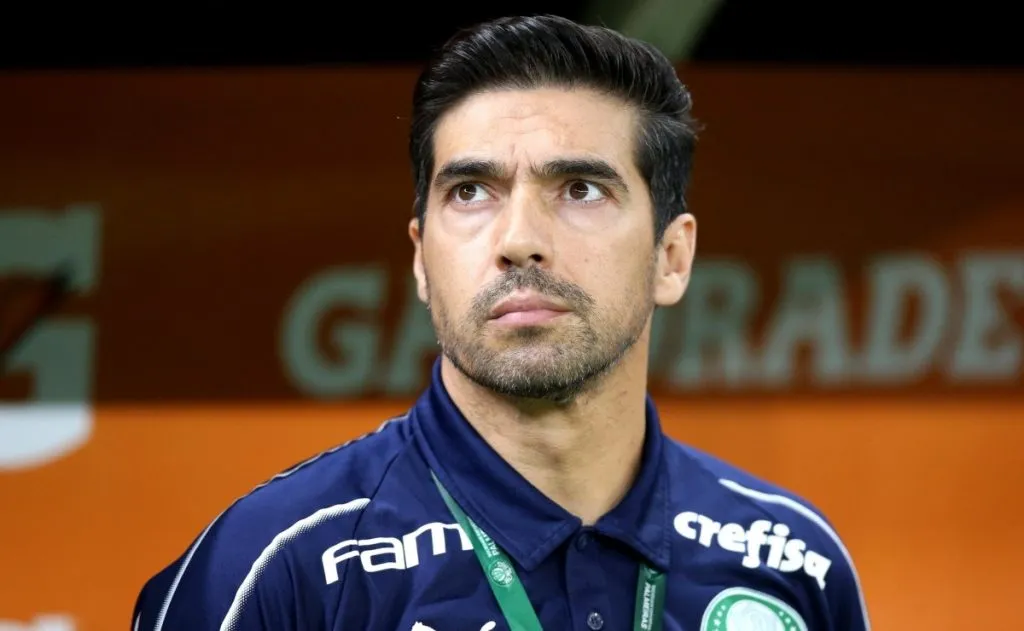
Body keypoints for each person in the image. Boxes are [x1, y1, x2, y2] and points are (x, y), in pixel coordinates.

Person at [133, 14, 870, 631]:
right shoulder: (273, 565)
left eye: (580, 188)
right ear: (422, 260)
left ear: (671, 257)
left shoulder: (793, 563)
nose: (519, 237)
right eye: (471, 191)